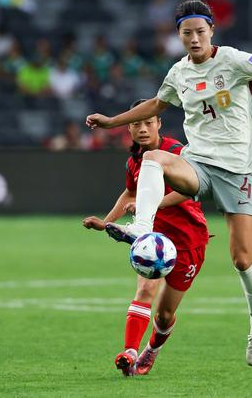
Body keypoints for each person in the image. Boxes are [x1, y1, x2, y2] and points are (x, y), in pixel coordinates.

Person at [86, 0, 252, 366]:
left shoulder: (233, 60)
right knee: (152, 158)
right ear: (179, 35)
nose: (194, 39)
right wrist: (111, 122)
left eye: (200, 31)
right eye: (187, 33)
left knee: (242, 259)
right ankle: (142, 229)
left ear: (212, 30)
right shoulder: (178, 73)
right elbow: (156, 105)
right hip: (198, 163)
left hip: (239, 170)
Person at [83, 99, 209, 376]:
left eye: (148, 122)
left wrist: (153, 204)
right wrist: (106, 223)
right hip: (154, 238)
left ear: (158, 123)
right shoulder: (134, 163)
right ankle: (129, 353)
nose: (142, 129)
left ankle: (151, 349)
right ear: (129, 128)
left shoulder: (176, 152)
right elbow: (130, 193)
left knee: (164, 315)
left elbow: (192, 190)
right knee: (144, 291)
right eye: (136, 124)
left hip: (188, 240)